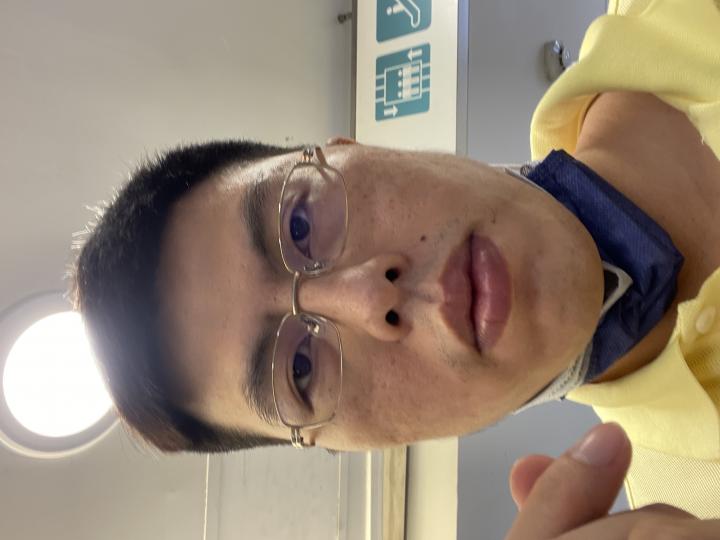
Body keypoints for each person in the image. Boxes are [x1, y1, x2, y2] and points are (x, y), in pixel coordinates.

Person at [69, 0, 720, 535]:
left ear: (351, 147)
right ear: (352, 445)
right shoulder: (693, 513)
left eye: (299, 226)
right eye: (300, 370)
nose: (368, 297)